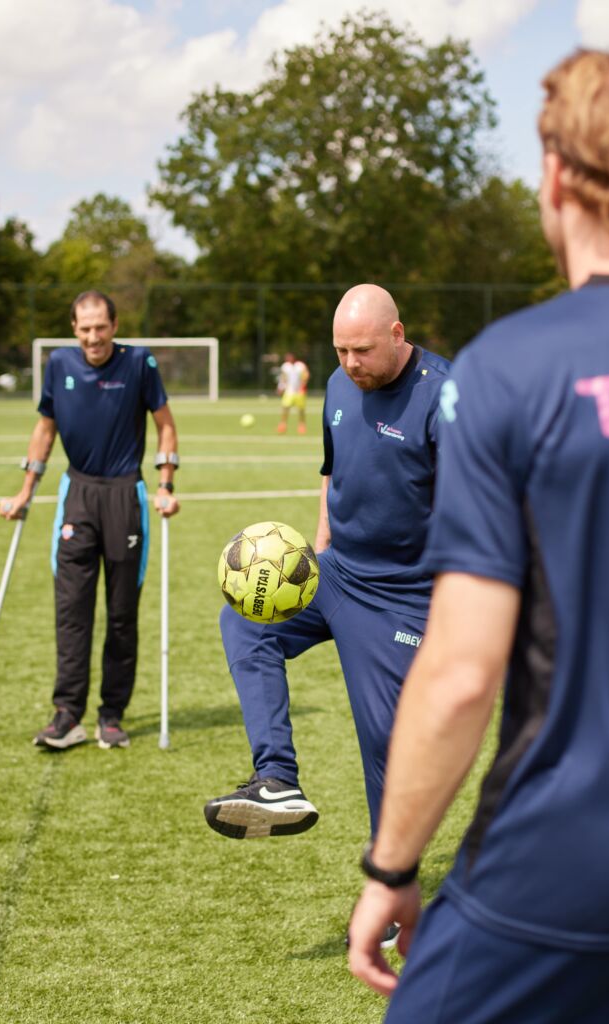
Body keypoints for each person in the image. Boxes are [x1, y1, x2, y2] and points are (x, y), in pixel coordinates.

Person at [348, 49, 609, 1021]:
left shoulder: (509, 369)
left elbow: (463, 668)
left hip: (571, 853)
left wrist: (391, 862)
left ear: (554, 175)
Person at [204, 284, 451, 847]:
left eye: (361, 350)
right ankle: (276, 779)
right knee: (244, 618)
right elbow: (331, 469)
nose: (349, 364)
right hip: (338, 572)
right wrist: (321, 544)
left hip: (406, 597)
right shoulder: (339, 384)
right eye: (340, 350)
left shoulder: (446, 397)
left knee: (386, 743)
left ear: (397, 334)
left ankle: (390, 881)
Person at [0, 290, 180, 751]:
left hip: (126, 496)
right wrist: (25, 492)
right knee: (72, 611)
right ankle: (67, 715)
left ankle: (112, 716)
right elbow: (45, 428)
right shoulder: (59, 364)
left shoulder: (140, 363)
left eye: (100, 327)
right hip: (76, 496)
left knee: (121, 615)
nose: (93, 336)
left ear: (115, 325)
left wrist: (165, 485)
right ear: (74, 328)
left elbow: (165, 424)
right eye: (84, 328)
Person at [276, 352, 310, 434]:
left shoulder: (300, 365)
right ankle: (283, 424)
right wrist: (280, 387)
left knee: (301, 410)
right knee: (285, 408)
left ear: (294, 357)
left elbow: (306, 374)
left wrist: (304, 384)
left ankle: (302, 425)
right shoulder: (285, 366)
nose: (288, 359)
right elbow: (283, 378)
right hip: (289, 392)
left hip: (299, 392)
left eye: (290, 357)